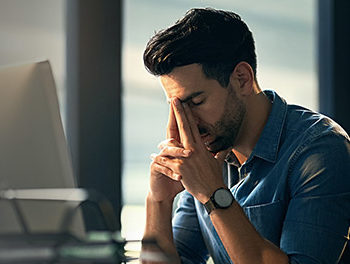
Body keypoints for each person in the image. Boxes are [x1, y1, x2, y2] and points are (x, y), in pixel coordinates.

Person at [142, 8, 350, 264]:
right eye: (176, 108)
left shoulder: (320, 150)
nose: (187, 123)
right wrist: (158, 200)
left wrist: (214, 193)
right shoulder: (207, 153)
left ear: (242, 79)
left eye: (196, 101)